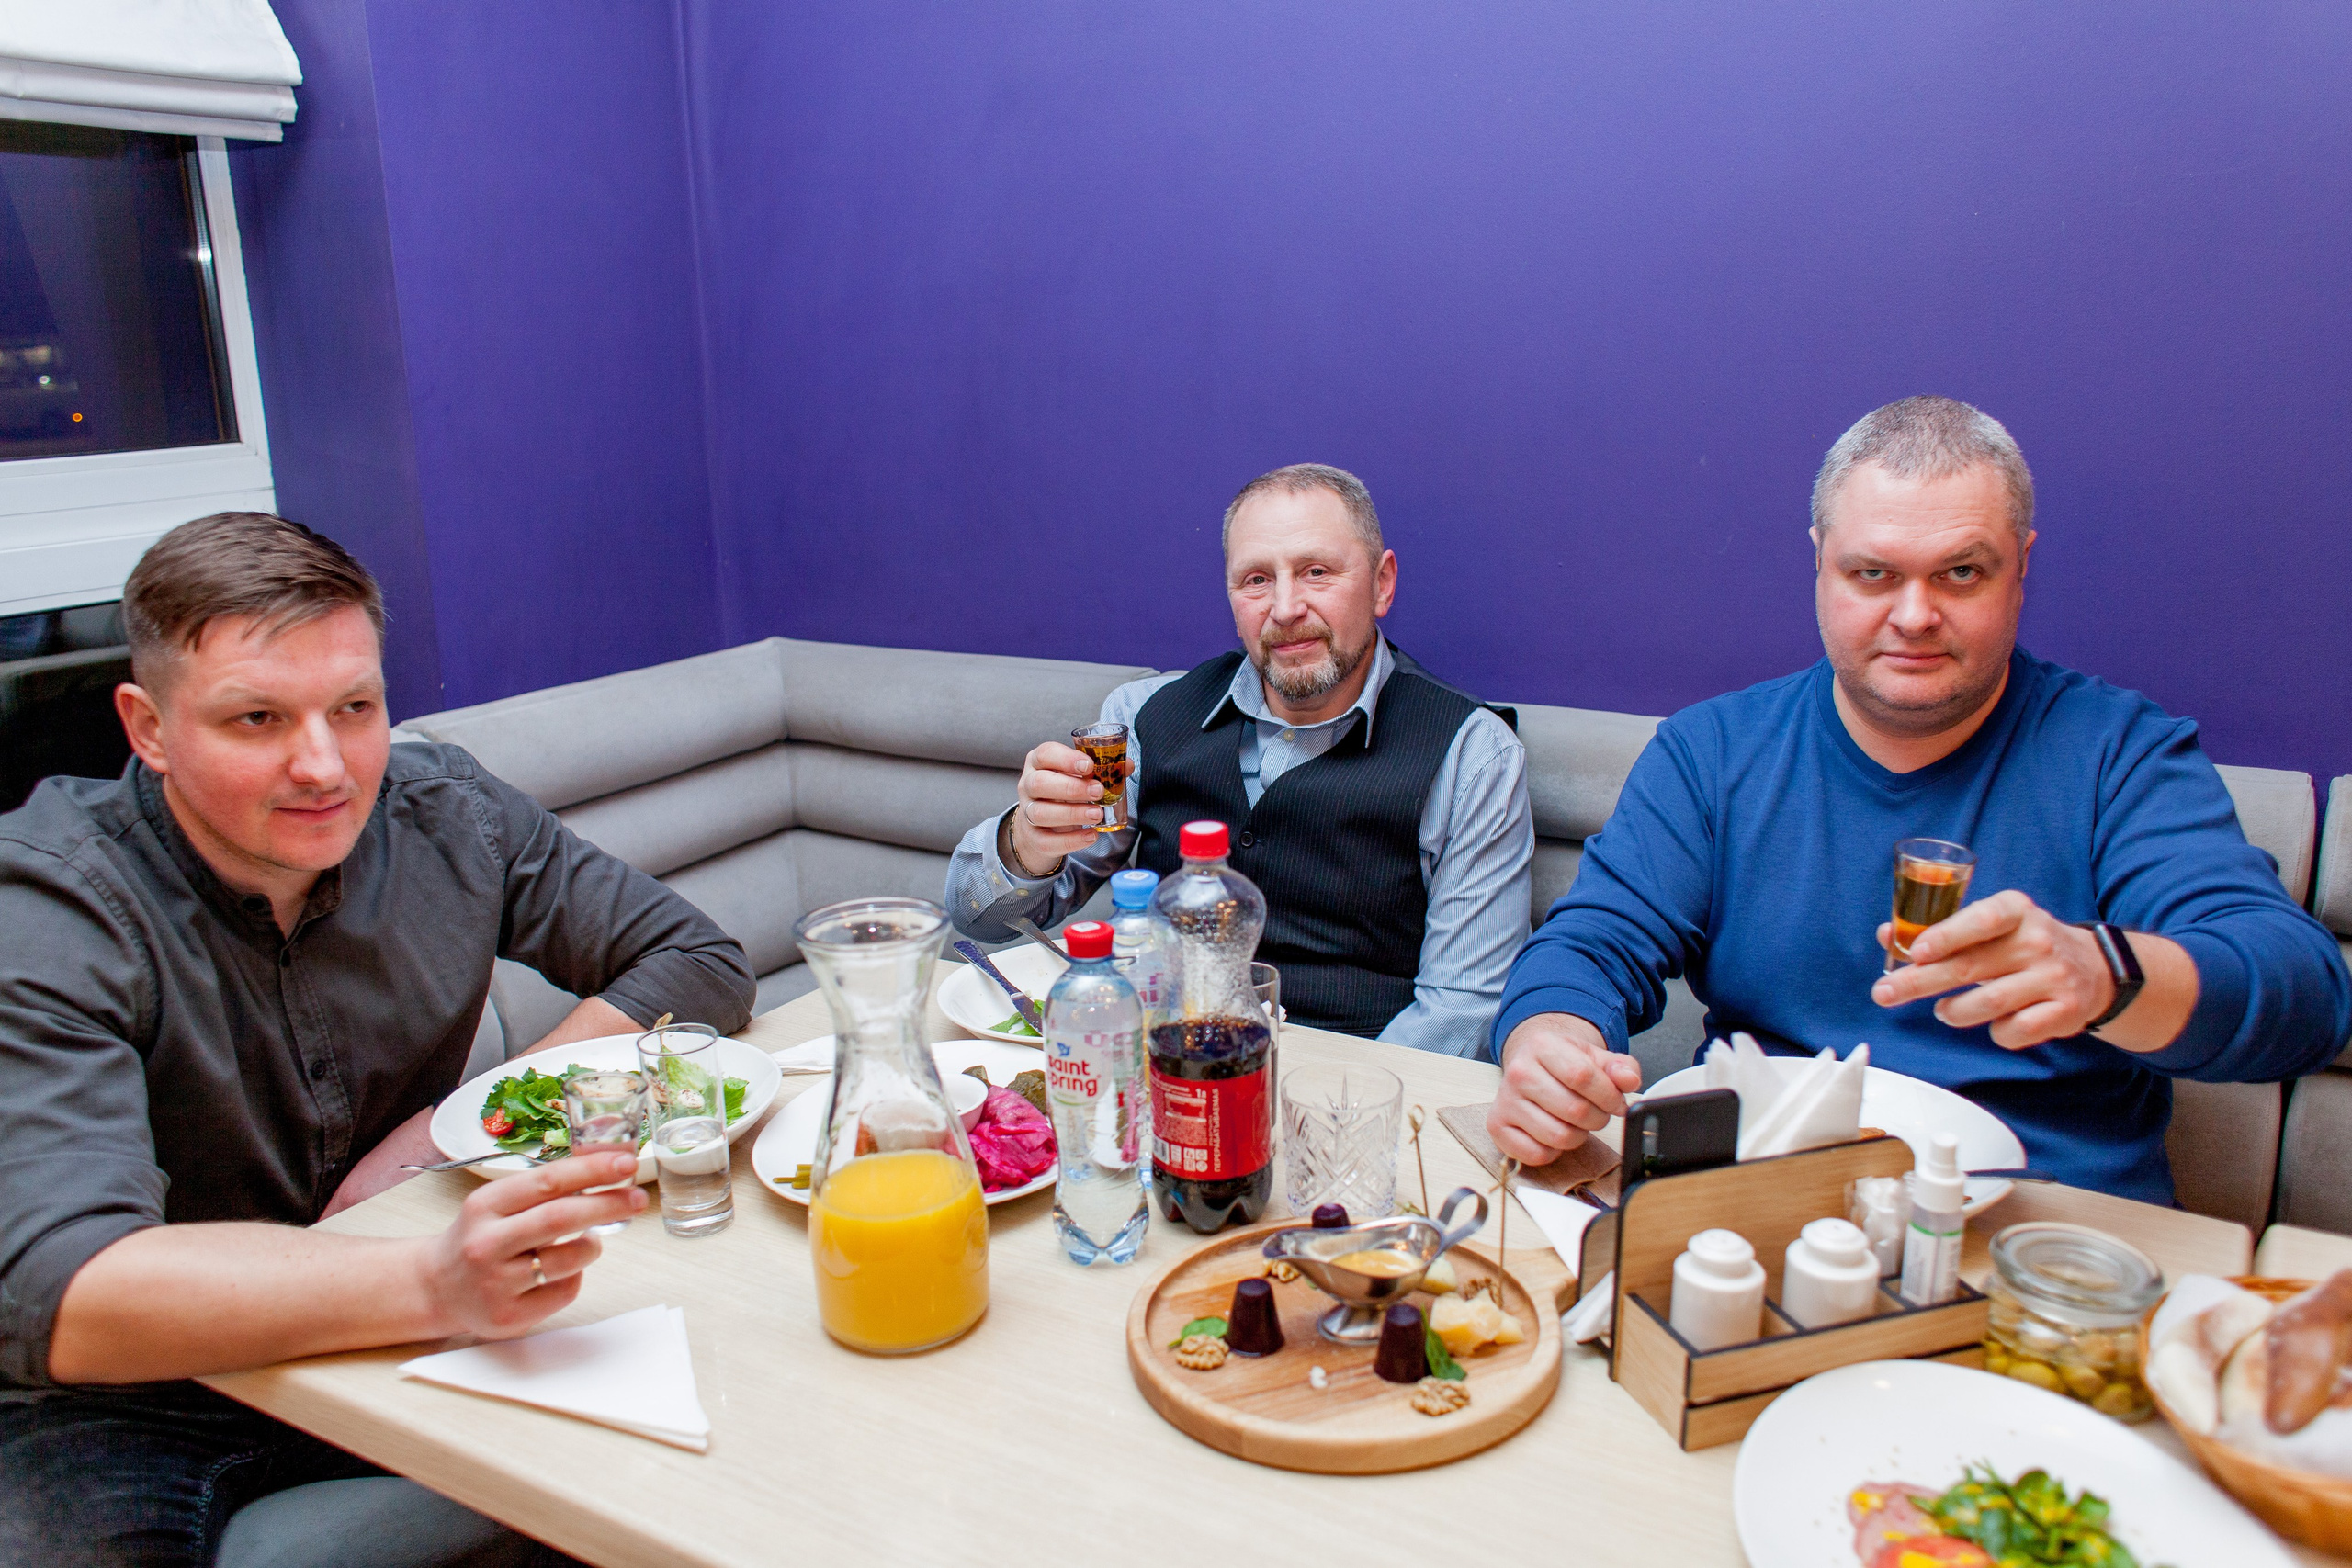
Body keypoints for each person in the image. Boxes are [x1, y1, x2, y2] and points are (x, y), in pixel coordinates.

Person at [0, 513, 756, 1566]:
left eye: (354, 707)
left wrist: (440, 1137)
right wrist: (425, 1284)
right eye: (257, 718)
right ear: (148, 726)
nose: (326, 766)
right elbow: (62, 1293)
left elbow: (694, 963)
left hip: (411, 1306)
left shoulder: (446, 809)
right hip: (134, 1399)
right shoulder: (46, 902)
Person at [1487, 397, 2351, 1202]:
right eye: (1872, 572)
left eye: (1961, 573)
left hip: (2042, 1240)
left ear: (2021, 569)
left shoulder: (2119, 755)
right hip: (1761, 1207)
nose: (1914, 614)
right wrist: (1547, 1039)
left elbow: (2304, 995)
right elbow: (1590, 943)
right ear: (1820, 563)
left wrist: (2106, 972)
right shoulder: (1712, 751)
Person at [946, 464, 1532, 1057]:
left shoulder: (1472, 754)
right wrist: (1028, 841)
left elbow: (1463, 1008)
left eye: (1317, 572)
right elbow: (980, 921)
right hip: (1154, 1072)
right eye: (1256, 579)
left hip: (1342, 1096)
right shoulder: (1142, 716)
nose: (1285, 607)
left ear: (1382, 583)